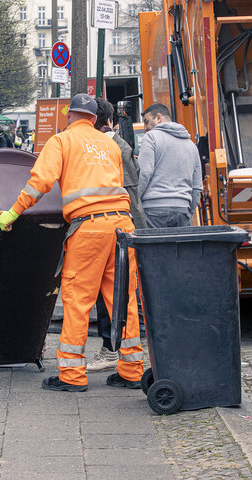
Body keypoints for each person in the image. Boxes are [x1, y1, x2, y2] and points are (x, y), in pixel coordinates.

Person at [0, 94, 144, 392]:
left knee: (78, 301)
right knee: (123, 300)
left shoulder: (61, 141)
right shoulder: (110, 145)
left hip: (89, 229)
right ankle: (132, 371)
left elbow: (39, 183)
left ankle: (72, 376)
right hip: (122, 227)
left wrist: (12, 213)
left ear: (69, 116)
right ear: (94, 118)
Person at [87, 97, 146, 373]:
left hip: (114, 230)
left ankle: (112, 349)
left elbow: (130, 193)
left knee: (113, 294)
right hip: (121, 228)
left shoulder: (109, 147)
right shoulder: (119, 145)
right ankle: (120, 353)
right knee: (119, 294)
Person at [138, 103, 203, 228]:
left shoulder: (151, 137)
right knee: (180, 248)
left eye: (146, 121)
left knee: (156, 248)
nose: (145, 127)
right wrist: (189, 211)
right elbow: (197, 186)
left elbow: (144, 174)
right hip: (182, 210)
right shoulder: (191, 145)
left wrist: (135, 203)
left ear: (158, 118)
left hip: (153, 210)